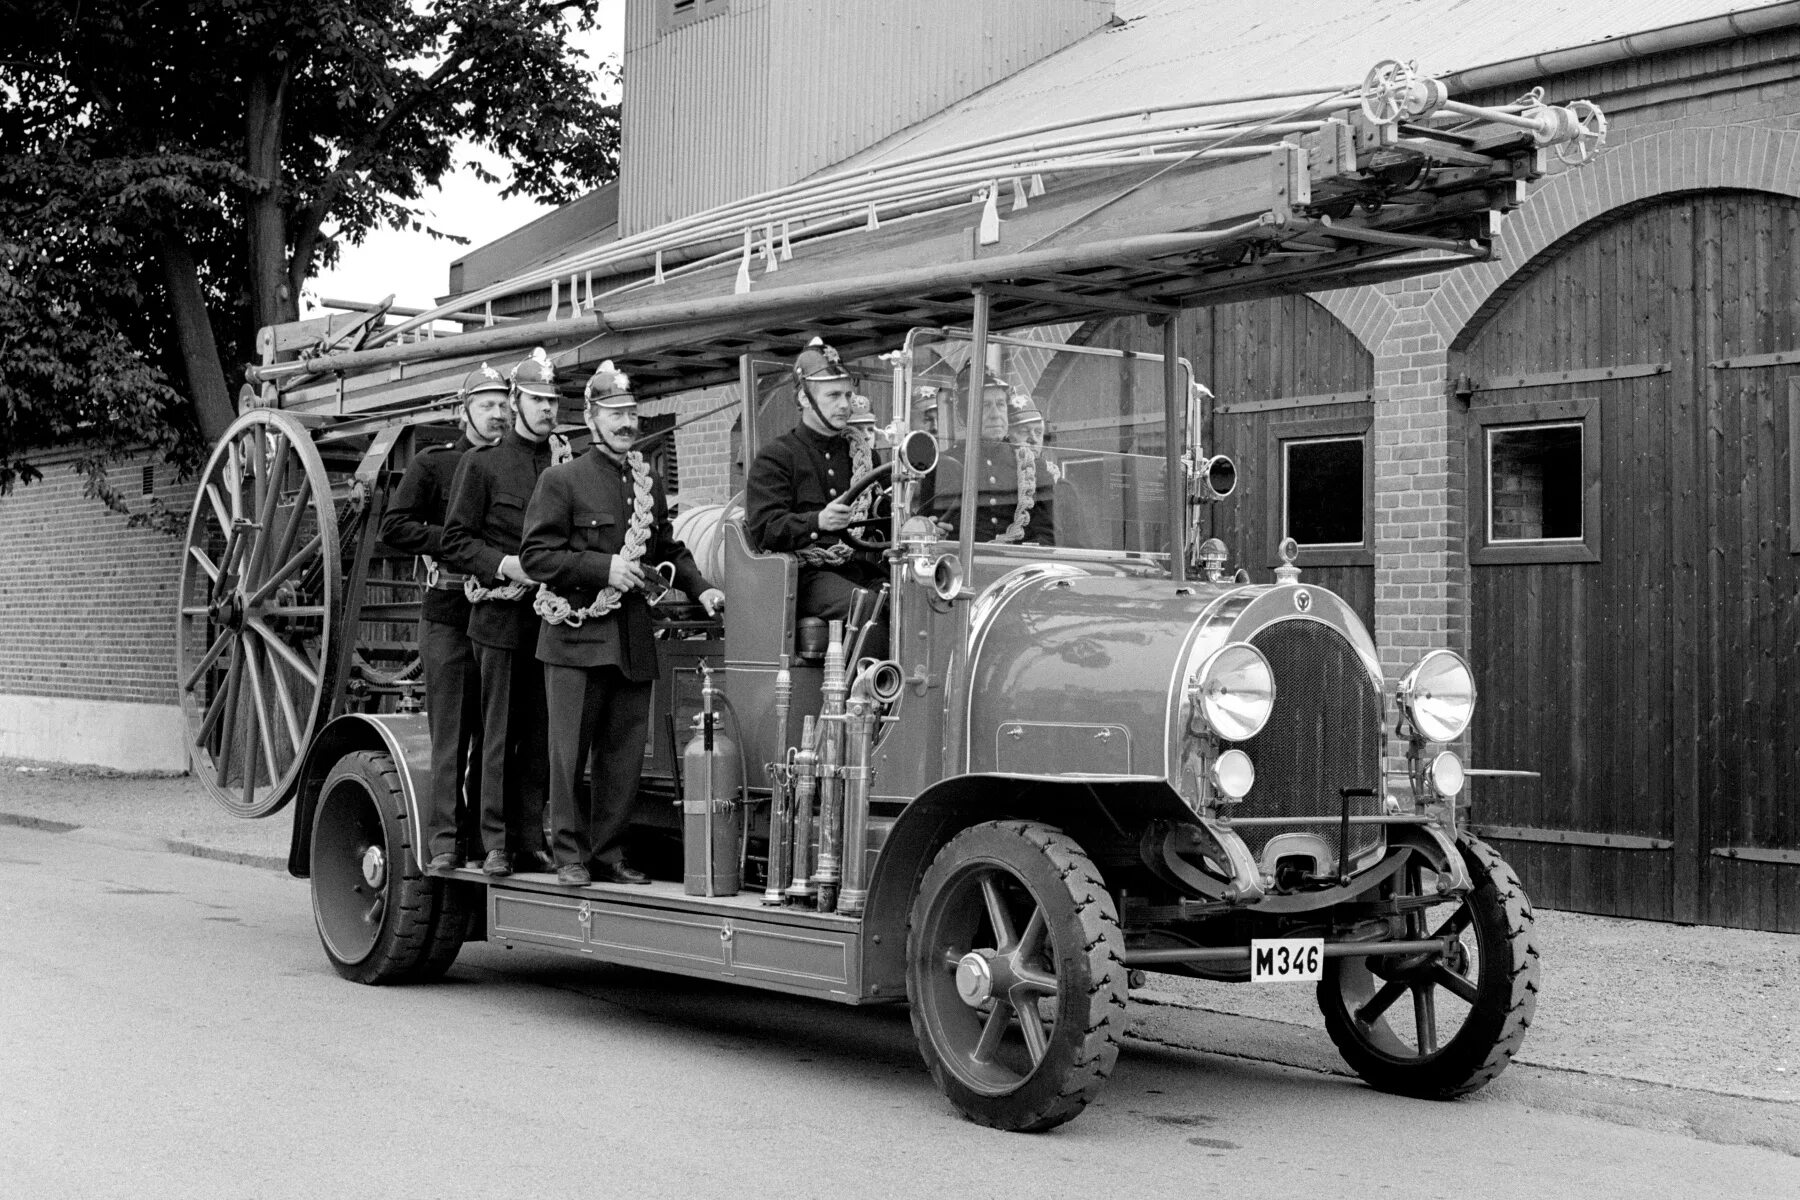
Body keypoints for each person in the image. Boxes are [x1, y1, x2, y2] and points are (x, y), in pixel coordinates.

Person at [521, 361, 724, 887]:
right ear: (590, 419)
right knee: (568, 756)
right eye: (613, 413)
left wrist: (701, 587)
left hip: (631, 639)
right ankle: (569, 853)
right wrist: (601, 567)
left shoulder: (646, 480)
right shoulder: (560, 479)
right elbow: (538, 556)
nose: (624, 422)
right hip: (575, 637)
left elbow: (667, 546)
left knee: (623, 757)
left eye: (630, 412)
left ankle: (608, 854)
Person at [378, 364, 509, 871]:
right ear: (464, 411)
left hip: (500, 610)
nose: (496, 414)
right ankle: (444, 841)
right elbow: (396, 526)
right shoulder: (434, 466)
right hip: (450, 609)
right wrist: (458, 544)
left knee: (494, 733)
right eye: (486, 405)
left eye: (502, 405)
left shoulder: (516, 466)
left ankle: (484, 841)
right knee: (451, 733)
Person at [440, 348, 558, 877]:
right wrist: (504, 564)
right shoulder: (481, 464)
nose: (548, 410)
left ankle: (530, 836)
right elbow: (457, 542)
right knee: (495, 734)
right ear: (516, 403)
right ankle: (492, 841)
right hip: (498, 619)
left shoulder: (564, 465)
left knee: (538, 735)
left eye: (554, 401)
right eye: (537, 399)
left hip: (551, 619)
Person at [744, 337, 888, 656]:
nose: (845, 405)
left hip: (862, 570)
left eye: (848, 395)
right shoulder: (778, 458)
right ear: (804, 397)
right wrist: (817, 521)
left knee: (912, 601)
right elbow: (765, 528)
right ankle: (868, 701)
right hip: (805, 578)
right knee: (867, 609)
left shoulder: (866, 458)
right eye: (833, 395)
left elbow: (884, 523)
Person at [924, 373, 1056, 546]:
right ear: (964, 415)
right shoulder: (942, 465)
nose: (996, 414)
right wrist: (933, 530)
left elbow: (1047, 535)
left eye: (1000, 405)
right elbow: (925, 525)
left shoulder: (1030, 466)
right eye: (985, 406)